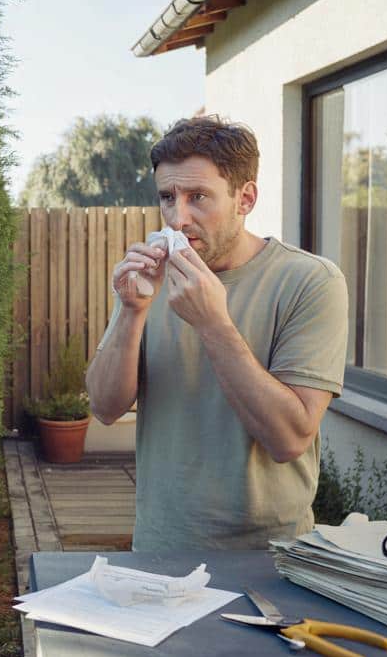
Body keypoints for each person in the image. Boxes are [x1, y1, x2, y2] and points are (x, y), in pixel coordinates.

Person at [86, 115, 348, 551]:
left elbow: (289, 439)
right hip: (160, 544)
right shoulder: (152, 278)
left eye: (198, 197)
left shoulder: (310, 281)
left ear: (246, 198)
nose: (178, 218)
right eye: (168, 197)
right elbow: (105, 406)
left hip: (271, 553)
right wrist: (131, 312)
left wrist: (212, 322)